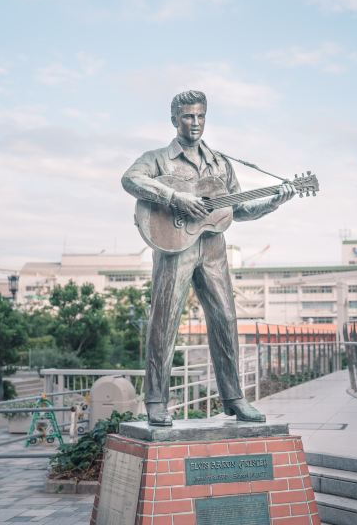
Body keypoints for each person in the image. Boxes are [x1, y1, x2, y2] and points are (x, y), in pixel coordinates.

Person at [122, 90, 296, 426]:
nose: (195, 122)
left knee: (226, 320)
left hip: (214, 248)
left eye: (200, 116)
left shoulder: (220, 163)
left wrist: (275, 201)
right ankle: (156, 400)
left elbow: (239, 208)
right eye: (188, 116)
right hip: (175, 248)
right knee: (164, 322)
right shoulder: (157, 159)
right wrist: (174, 197)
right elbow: (130, 179)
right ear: (175, 119)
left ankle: (234, 398)